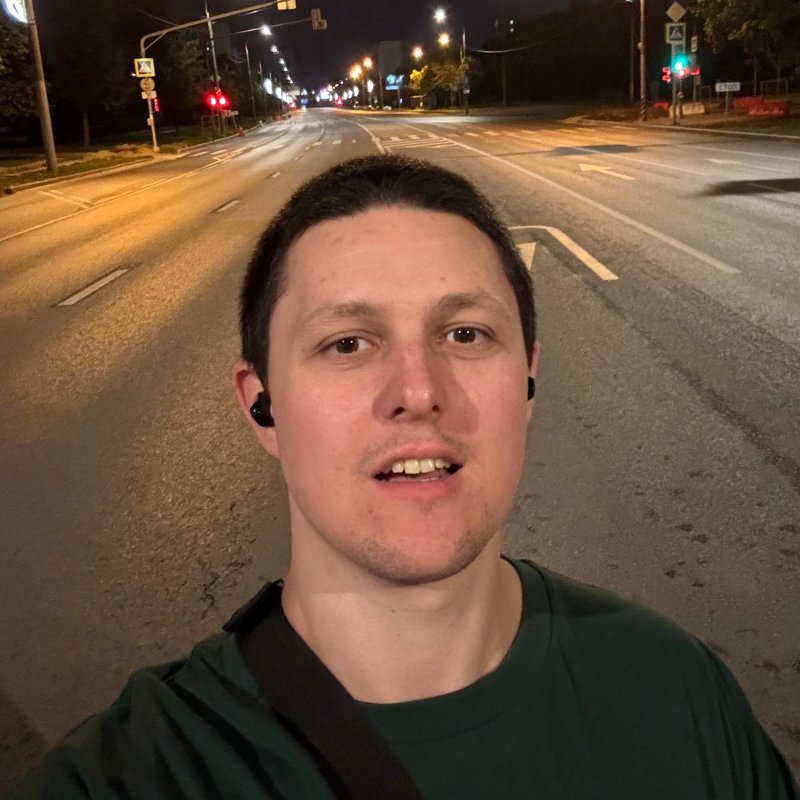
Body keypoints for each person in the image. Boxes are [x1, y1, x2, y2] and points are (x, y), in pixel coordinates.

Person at [9, 155, 798, 799]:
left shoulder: (677, 696)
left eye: (465, 334)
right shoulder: (138, 774)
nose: (418, 391)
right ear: (262, 407)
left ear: (527, 381)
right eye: (348, 344)